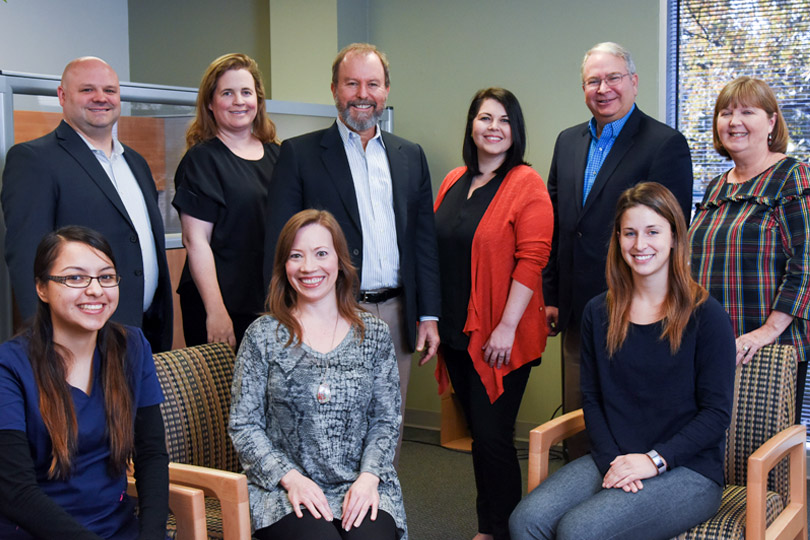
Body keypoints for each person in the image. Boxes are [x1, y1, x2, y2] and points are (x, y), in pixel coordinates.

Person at [510, 182, 735, 540]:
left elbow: (716, 414)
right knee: (525, 521)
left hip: (688, 470)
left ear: (674, 237)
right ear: (618, 239)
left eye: (652, 232)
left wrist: (652, 461)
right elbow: (593, 399)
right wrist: (614, 461)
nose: (640, 244)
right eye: (629, 233)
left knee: (579, 531)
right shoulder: (598, 312)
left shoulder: (706, 315)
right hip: (615, 457)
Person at [263, 42, 440, 462]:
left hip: (395, 314)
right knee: (326, 429)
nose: (363, 94)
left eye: (373, 84)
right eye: (352, 83)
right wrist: (286, 314)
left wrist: (429, 314)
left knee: (386, 426)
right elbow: (280, 244)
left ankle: (378, 501)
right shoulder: (300, 154)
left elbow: (423, 240)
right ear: (334, 89)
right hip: (327, 313)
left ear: (386, 90)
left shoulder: (410, 156)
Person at [541, 42, 694, 458]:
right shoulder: (567, 142)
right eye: (593, 81)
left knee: (634, 422)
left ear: (634, 82)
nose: (603, 88)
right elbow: (557, 226)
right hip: (577, 312)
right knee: (580, 420)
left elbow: (670, 236)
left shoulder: (664, 143)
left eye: (613, 78)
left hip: (639, 311)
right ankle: (579, 493)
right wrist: (550, 294)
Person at [230, 209, 406, 539]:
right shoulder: (262, 335)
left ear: (340, 261)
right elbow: (244, 425)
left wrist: (369, 477)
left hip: (361, 482)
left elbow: (385, 420)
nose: (308, 267)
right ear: (284, 266)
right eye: (296, 256)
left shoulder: (374, 334)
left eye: (321, 253)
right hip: (284, 490)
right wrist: (290, 478)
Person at [433, 88, 552, 540]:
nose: (494, 128)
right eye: (485, 118)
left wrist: (505, 327)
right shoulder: (453, 180)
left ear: (515, 130)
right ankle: (491, 525)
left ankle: (501, 529)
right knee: (480, 436)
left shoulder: (526, 183)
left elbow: (532, 259)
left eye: (504, 120)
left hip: (501, 336)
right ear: (471, 125)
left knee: (493, 436)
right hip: (456, 332)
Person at [0, 226, 168, 539]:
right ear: (41, 288)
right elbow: (16, 493)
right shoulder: (9, 366)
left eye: (106, 277)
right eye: (75, 278)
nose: (95, 290)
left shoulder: (131, 346)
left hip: (118, 529)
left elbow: (151, 454)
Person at [1, 56, 173, 353]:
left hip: (146, 331)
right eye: (87, 90)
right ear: (62, 96)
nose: (101, 98)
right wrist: (45, 342)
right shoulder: (34, 160)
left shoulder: (136, 162)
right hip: (78, 338)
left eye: (110, 90)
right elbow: (28, 258)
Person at [689, 76, 810, 420]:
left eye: (747, 112)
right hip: (710, 347)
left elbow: (806, 264)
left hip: (769, 352)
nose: (734, 121)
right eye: (726, 113)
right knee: (707, 442)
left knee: (762, 449)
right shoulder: (716, 186)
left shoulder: (793, 176)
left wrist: (766, 333)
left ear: (771, 122)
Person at [173, 53, 280, 350]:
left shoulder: (279, 155)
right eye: (227, 93)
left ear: (258, 100)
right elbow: (196, 241)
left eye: (246, 92)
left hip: (268, 303)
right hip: (221, 304)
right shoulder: (201, 160)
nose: (239, 101)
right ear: (210, 102)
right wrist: (216, 311)